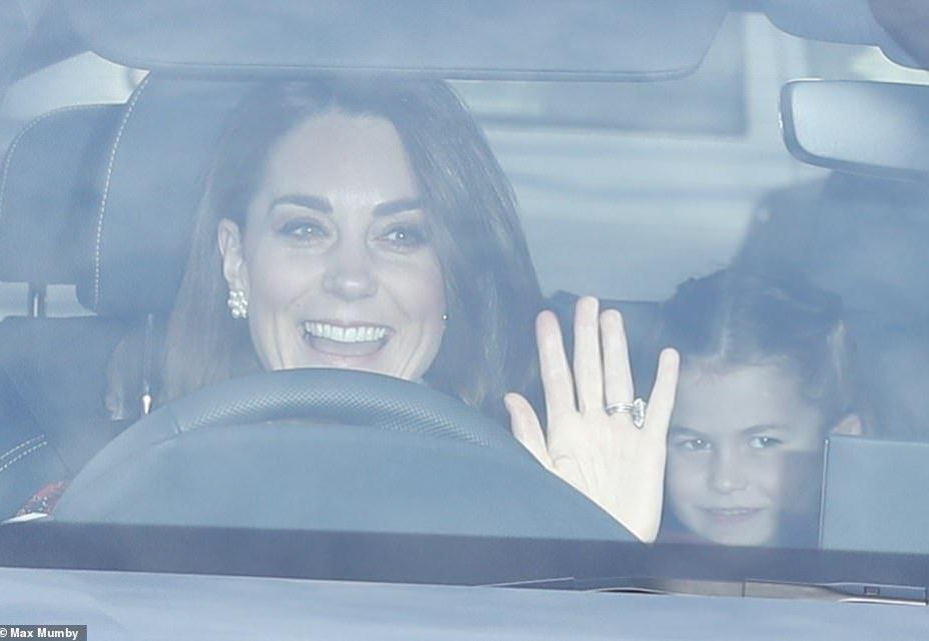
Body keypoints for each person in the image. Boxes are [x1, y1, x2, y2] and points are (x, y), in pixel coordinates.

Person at [147, 77, 679, 542]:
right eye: (305, 229)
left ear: (454, 276)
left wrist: (601, 556)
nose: (350, 278)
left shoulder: (535, 501)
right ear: (237, 258)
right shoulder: (136, 497)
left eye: (401, 235)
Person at [654, 269, 863, 547]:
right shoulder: (628, 568)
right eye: (695, 443)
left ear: (842, 442)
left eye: (763, 442)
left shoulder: (880, 570)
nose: (725, 480)